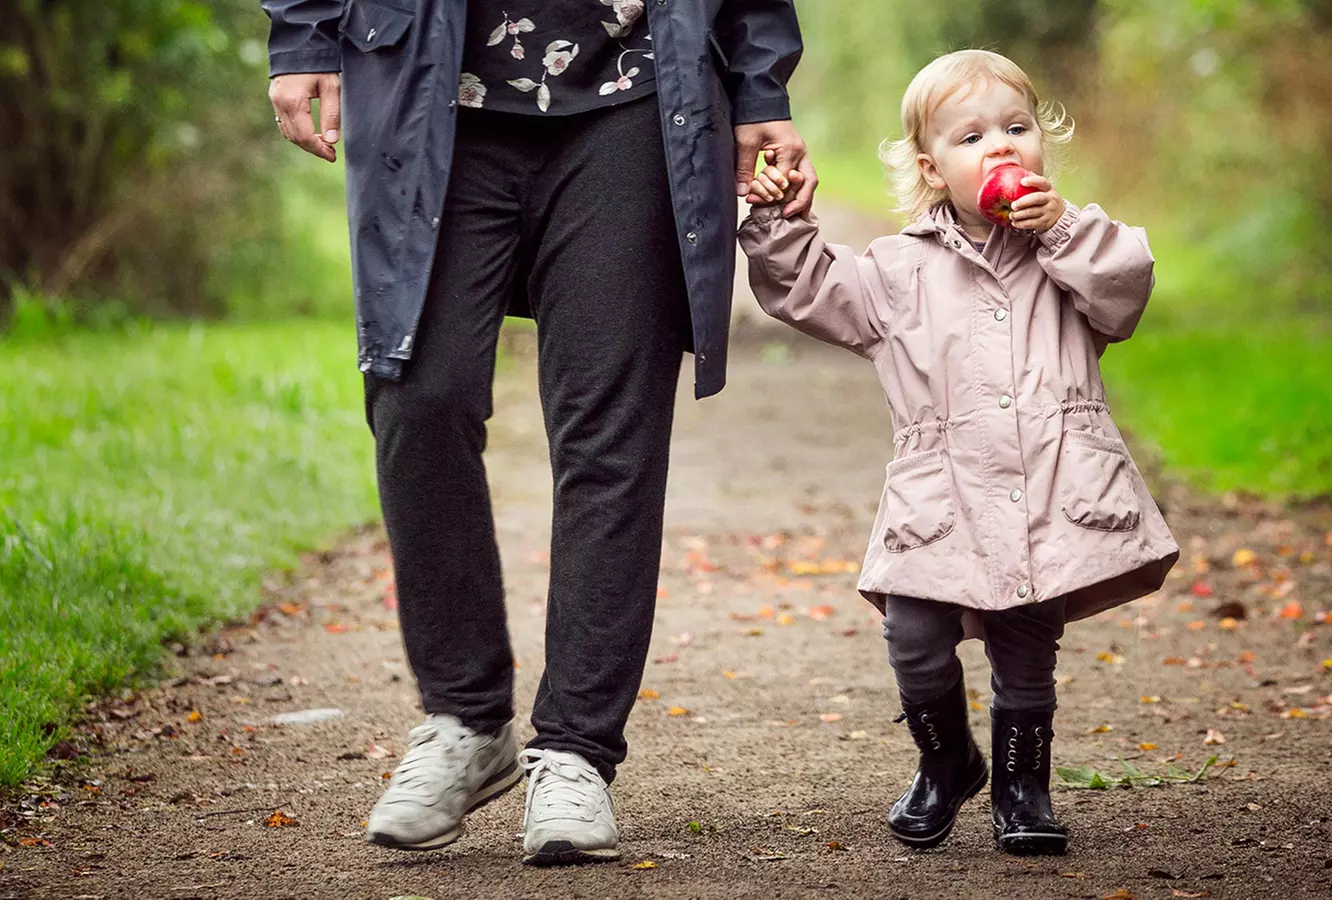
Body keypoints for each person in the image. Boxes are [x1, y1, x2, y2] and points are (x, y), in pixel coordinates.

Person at [261, 0, 814, 865]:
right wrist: (302, 30)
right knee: (419, 399)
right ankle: (466, 719)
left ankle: (575, 749)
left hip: (637, 94)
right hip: (429, 85)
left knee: (611, 426)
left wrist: (759, 83)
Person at [737, 49, 1178, 856]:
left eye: (1017, 128)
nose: (1001, 147)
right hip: (939, 496)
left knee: (1025, 643)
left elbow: (1127, 288)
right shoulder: (900, 268)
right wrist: (776, 222)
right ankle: (946, 761)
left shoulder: (1071, 252)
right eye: (972, 136)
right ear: (932, 169)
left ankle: (1023, 785)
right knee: (912, 630)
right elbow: (808, 289)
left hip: (1049, 487)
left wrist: (1064, 228)